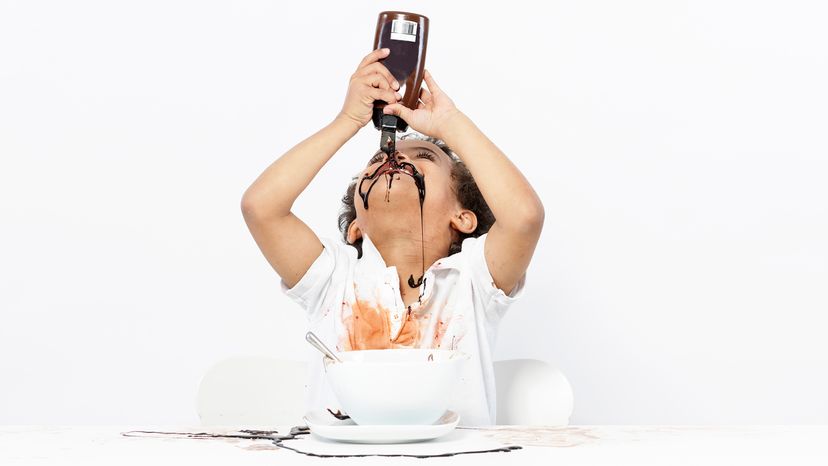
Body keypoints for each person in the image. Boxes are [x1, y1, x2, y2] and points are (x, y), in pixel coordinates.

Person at [241, 47, 544, 425]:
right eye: (377, 160)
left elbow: (524, 218)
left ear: (463, 218)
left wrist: (450, 123)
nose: (393, 158)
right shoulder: (333, 280)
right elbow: (261, 207)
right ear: (357, 227)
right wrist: (349, 119)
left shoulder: (473, 281)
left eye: (424, 156)